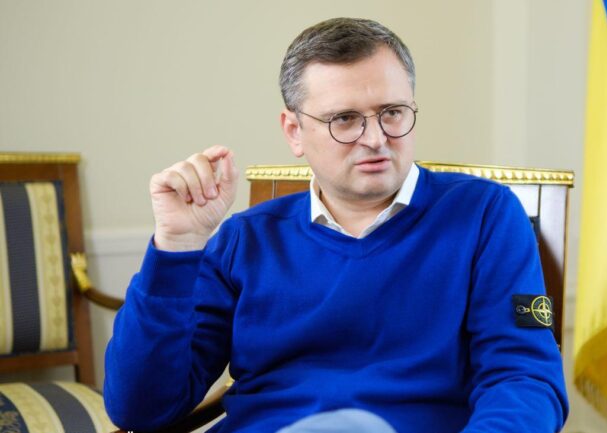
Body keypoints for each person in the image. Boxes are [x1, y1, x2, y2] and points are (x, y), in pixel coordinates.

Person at [104, 17, 569, 433]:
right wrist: (177, 246)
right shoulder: (245, 239)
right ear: (294, 132)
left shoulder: (485, 215)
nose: (376, 139)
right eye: (345, 119)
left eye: (392, 112)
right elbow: (140, 409)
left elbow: (524, 379)